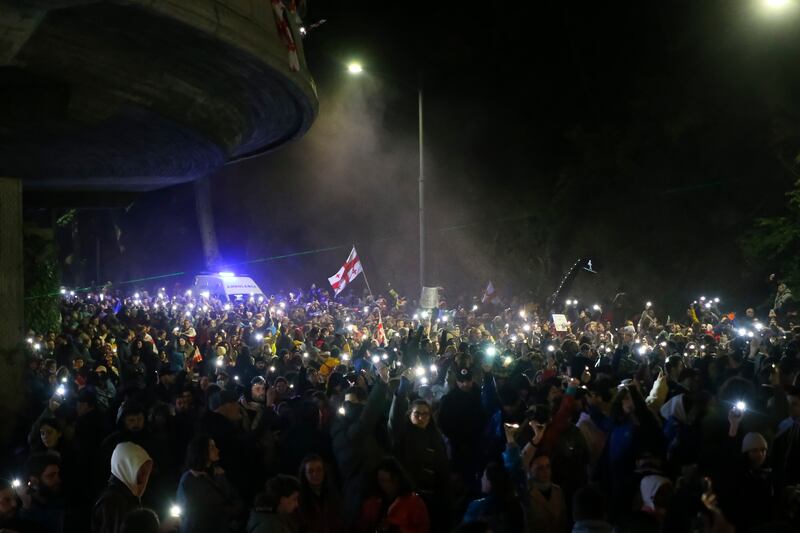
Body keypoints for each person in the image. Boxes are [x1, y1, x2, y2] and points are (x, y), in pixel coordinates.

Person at [388, 377, 450, 529]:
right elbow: (394, 418)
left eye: (425, 414)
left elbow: (442, 465)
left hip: (433, 494)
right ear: (409, 415)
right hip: (410, 494)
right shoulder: (403, 434)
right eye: (417, 414)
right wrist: (402, 390)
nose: (422, 418)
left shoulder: (435, 436)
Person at [330, 366, 389, 526]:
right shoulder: (341, 428)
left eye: (353, 404)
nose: (350, 408)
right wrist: (381, 385)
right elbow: (363, 424)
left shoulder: (376, 426)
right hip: (358, 491)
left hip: (373, 490)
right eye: (347, 404)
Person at [176, 435, 241, 533]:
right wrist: (233, 509)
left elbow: (229, 495)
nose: (217, 450)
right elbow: (206, 510)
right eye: (212, 447)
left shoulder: (214, 474)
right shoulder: (190, 480)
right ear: (202, 451)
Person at [357, 457, 430, 533]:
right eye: (379, 480)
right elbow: (363, 525)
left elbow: (423, 529)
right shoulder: (374, 501)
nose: (381, 484)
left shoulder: (414, 502)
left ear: (396, 480)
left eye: (384, 481)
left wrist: (396, 529)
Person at [92, 442, 153, 533]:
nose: (144, 477)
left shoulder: (128, 497)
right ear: (126, 468)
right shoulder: (113, 502)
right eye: (140, 471)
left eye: (147, 472)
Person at [462, 462, 524, 533]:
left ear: (490, 483)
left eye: (484, 477)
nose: (481, 479)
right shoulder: (516, 506)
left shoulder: (476, 507)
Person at [296, 454, 345, 533]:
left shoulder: (334, 495)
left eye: (319, 470)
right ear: (304, 474)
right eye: (310, 471)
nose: (315, 474)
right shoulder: (298, 499)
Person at [18, 453, 64, 533]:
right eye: (51, 476)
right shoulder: (21, 508)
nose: (58, 480)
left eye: (57, 474)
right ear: (34, 480)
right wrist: (26, 507)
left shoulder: (60, 499)